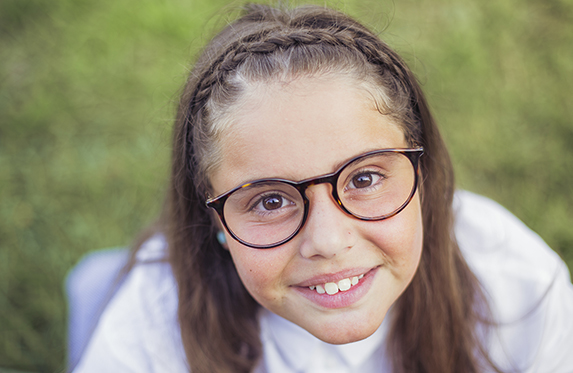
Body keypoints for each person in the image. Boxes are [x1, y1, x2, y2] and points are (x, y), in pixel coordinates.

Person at [70, 3, 573, 372]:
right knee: (101, 289)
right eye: (270, 200)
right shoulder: (150, 334)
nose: (329, 242)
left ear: (423, 176)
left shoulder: (517, 286)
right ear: (214, 220)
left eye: (365, 178)